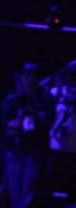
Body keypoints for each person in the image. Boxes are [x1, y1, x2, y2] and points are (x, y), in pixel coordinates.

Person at [1, 68, 55, 208]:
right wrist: (18, 120)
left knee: (29, 185)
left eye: (32, 76)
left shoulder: (46, 98)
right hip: (15, 148)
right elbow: (5, 122)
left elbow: (49, 122)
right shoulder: (11, 98)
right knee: (13, 184)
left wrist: (34, 111)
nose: (28, 79)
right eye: (25, 76)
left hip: (35, 150)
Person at [47, 60, 76, 205]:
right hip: (56, 145)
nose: (73, 79)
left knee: (72, 186)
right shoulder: (55, 93)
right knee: (55, 182)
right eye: (70, 75)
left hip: (74, 148)